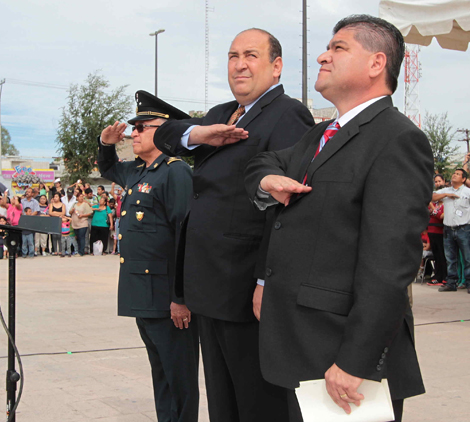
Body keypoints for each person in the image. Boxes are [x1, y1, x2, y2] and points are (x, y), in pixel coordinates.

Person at [244, 15, 432, 422]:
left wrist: (355, 361)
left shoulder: (397, 139)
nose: (323, 56)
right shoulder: (322, 134)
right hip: (304, 348)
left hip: (342, 359)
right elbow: (262, 162)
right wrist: (267, 180)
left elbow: (390, 265)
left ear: (376, 63)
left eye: (339, 48)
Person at [152, 28, 315, 421]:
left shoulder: (287, 113)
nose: (239, 64)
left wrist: (265, 280)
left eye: (251, 55)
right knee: (223, 402)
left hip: (245, 287)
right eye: (232, 55)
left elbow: (286, 208)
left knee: (257, 402)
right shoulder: (223, 113)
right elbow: (165, 132)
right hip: (210, 283)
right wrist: (200, 133)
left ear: (276, 67)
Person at [98, 91, 199, 422]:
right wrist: (105, 143)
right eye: (134, 127)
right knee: (161, 376)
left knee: (179, 379)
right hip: (143, 293)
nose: (134, 133)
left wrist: (180, 297)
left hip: (168, 299)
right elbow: (108, 167)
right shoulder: (138, 172)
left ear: (165, 132)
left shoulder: (175, 172)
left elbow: (185, 235)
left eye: (143, 127)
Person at [432, 168, 470, 294]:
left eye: (458, 174)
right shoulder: (446, 190)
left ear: (463, 179)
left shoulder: (467, 192)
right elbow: (432, 196)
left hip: (464, 228)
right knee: (450, 258)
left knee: (467, 257)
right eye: (454, 173)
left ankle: (468, 283)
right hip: (448, 229)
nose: (454, 175)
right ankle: (451, 283)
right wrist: (447, 195)